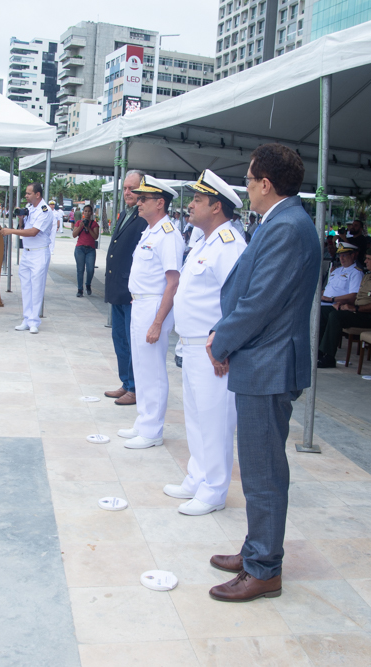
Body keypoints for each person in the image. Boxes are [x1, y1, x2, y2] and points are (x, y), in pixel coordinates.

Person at [205, 143, 319, 603]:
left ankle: (264, 569)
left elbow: (260, 302)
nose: (246, 189)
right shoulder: (282, 220)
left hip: (268, 363)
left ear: (266, 184)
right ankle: (257, 548)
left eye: (249, 181)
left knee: (263, 470)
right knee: (256, 467)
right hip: (263, 359)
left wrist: (222, 339)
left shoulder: (288, 226)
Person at [165, 169, 246, 516]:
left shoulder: (230, 245)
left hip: (214, 349)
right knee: (196, 418)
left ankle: (214, 490)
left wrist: (223, 345)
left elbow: (239, 300)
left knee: (215, 422)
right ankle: (197, 477)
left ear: (216, 207)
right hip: (192, 344)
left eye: (198, 200)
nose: (191, 206)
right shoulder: (202, 242)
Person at [116, 175, 184, 449]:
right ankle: (144, 421)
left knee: (153, 369)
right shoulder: (151, 230)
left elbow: (173, 281)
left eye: (144, 198)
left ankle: (153, 430)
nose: (138, 201)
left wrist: (157, 322)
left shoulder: (168, 234)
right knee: (141, 367)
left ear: (160, 203)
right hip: (141, 303)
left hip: (155, 306)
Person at [103, 171, 148, 406]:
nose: (128, 193)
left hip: (131, 290)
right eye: (125, 189)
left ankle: (134, 386)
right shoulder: (125, 213)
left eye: (132, 188)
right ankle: (126, 382)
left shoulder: (144, 217)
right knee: (119, 337)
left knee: (132, 341)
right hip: (118, 288)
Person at [318, 247, 371, 368]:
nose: (365, 261)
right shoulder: (367, 276)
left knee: (335, 316)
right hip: (358, 311)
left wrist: (355, 309)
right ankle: (319, 351)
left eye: (369, 259)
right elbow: (357, 297)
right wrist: (343, 305)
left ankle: (329, 357)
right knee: (322, 312)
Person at [1, 183, 53, 334]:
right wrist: (21, 219)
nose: (26, 196)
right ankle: (26, 318)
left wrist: (10, 231)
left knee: (37, 287)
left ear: (37, 194)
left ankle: (34, 321)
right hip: (28, 252)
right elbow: (25, 228)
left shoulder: (45, 211)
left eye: (29, 193)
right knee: (26, 287)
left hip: (39, 252)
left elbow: (33, 232)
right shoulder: (30, 208)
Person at [319, 242, 363, 323]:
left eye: (344, 255)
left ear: (352, 255)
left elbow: (353, 296)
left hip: (338, 305)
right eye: (340, 255)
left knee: (318, 312)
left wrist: (331, 299)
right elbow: (329, 288)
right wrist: (318, 295)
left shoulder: (356, 273)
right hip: (324, 302)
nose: (341, 258)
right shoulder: (337, 270)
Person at [72, 204, 99, 297]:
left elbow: (95, 237)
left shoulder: (94, 224)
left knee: (90, 269)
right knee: (80, 270)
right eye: (85, 211)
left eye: (89, 211)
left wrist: (88, 228)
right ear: (83, 212)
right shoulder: (79, 222)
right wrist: (80, 226)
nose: (87, 213)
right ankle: (80, 289)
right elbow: (74, 235)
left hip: (90, 249)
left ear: (91, 213)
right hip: (80, 248)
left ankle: (88, 284)